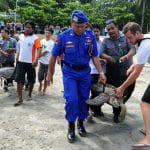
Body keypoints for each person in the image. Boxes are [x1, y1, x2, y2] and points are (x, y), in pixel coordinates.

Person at [46, 10, 106, 143]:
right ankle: (71, 125)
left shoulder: (89, 36)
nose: (80, 29)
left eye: (83, 26)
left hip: (85, 72)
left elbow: (94, 56)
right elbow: (53, 56)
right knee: (72, 99)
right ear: (71, 23)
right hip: (70, 72)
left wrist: (101, 72)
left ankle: (81, 123)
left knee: (83, 99)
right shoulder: (63, 36)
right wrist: (50, 74)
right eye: (77, 26)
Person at [115, 22, 150, 148]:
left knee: (145, 103)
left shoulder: (145, 45)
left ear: (138, 33)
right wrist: (133, 66)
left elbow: (136, 74)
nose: (129, 41)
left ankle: (148, 138)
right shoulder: (146, 39)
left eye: (130, 38)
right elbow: (139, 62)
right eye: (127, 38)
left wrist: (122, 87)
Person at [101, 19, 136, 123]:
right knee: (116, 92)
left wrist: (126, 56)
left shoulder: (126, 37)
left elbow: (133, 49)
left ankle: (121, 104)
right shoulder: (106, 41)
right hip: (114, 72)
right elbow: (101, 53)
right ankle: (116, 113)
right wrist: (109, 58)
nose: (111, 31)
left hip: (128, 70)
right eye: (108, 30)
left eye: (112, 28)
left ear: (117, 27)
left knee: (129, 89)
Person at [14, 20, 42, 106]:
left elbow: (39, 49)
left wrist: (36, 60)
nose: (27, 29)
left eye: (29, 27)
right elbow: (19, 47)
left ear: (33, 29)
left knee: (31, 80)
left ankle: (29, 94)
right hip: (21, 62)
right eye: (26, 27)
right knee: (19, 80)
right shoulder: (21, 36)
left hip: (31, 63)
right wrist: (17, 56)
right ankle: (20, 99)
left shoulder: (35, 38)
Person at [89, 22, 106, 117]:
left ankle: (97, 109)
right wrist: (100, 59)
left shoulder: (102, 42)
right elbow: (91, 56)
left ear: (100, 32)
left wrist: (105, 60)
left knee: (100, 92)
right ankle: (92, 108)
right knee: (94, 91)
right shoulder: (89, 42)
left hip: (101, 72)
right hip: (92, 71)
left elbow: (104, 54)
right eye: (94, 31)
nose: (95, 33)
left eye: (97, 31)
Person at [38, 28, 54, 95]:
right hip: (42, 62)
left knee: (46, 78)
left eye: (48, 33)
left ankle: (44, 90)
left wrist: (37, 57)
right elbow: (39, 49)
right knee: (40, 76)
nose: (47, 34)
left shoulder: (52, 43)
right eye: (46, 32)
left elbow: (45, 52)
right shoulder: (41, 41)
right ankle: (40, 84)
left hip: (48, 63)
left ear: (51, 34)